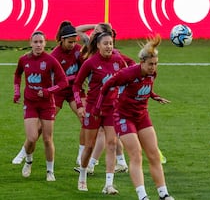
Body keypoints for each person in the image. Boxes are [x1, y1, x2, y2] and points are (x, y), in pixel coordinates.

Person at [93, 34, 174, 200]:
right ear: (142, 62)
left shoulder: (152, 74)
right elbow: (106, 86)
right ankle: (142, 196)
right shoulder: (127, 74)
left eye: (156, 64)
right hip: (123, 116)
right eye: (150, 64)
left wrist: (154, 95)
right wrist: (98, 108)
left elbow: (146, 87)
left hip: (142, 115)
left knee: (153, 154)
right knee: (136, 154)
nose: (153, 67)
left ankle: (163, 194)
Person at [11, 21, 86, 166]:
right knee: (39, 128)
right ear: (62, 40)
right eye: (69, 42)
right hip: (57, 91)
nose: (72, 44)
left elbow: (84, 68)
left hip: (74, 90)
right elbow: (57, 79)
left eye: (74, 41)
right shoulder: (54, 56)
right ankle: (23, 151)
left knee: (85, 119)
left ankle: (81, 155)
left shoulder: (78, 50)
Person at [73, 31, 129, 194]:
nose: (109, 46)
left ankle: (108, 184)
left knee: (111, 143)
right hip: (93, 109)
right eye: (105, 43)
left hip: (111, 109)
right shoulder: (90, 63)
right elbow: (76, 85)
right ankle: (83, 175)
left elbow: (126, 80)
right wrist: (80, 106)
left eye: (111, 43)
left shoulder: (118, 61)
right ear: (98, 45)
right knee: (89, 146)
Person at [13, 31, 68, 181]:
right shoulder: (23, 60)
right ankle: (29, 161)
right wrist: (17, 92)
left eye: (41, 42)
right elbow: (17, 75)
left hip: (47, 104)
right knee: (31, 137)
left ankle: (50, 171)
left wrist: (48, 91)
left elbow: (64, 82)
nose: (38, 45)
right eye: (35, 42)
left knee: (47, 139)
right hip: (30, 103)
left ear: (45, 43)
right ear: (30, 42)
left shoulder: (50, 61)